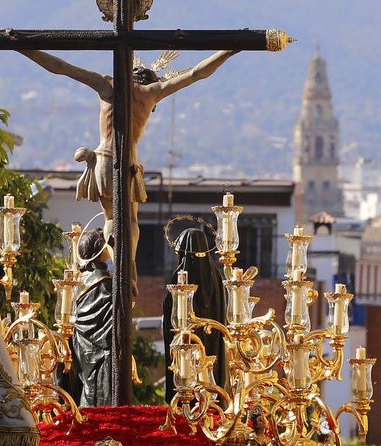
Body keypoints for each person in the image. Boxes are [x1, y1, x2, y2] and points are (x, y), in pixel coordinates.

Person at [19, 49, 238, 300]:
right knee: (131, 222)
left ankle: (121, 271)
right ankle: (127, 273)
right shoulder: (152, 93)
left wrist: (24, 48)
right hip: (129, 162)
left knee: (112, 217)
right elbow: (197, 73)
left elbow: (59, 66)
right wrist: (229, 50)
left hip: (103, 160)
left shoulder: (106, 84)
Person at [162, 227, 226, 401]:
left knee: (187, 384)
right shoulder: (216, 276)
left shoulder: (181, 275)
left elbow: (170, 310)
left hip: (187, 343)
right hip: (212, 340)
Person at [70, 229, 123, 407]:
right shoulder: (105, 285)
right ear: (100, 250)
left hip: (84, 351)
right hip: (103, 354)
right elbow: (111, 325)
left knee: (89, 390)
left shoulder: (79, 285)